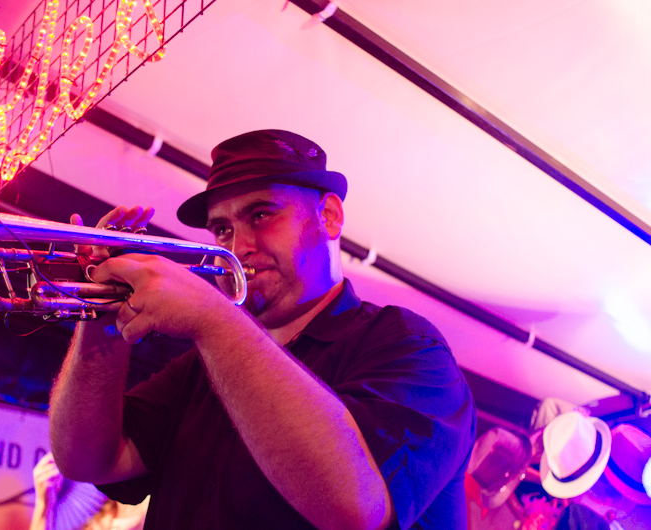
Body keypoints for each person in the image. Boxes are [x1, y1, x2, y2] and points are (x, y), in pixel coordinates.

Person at [49, 129, 476, 529]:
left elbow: (356, 509)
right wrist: (101, 314)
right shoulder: (200, 366)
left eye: (260, 214)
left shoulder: (410, 348)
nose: (238, 248)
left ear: (328, 216)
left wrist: (214, 318)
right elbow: (86, 460)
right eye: (222, 230)